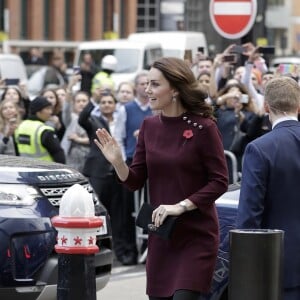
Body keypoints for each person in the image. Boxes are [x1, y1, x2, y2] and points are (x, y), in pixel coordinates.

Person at [94, 57, 228, 299]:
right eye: (146, 84)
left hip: (196, 237)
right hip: (162, 236)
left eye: (154, 85)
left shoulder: (203, 128)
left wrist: (181, 206)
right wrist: (117, 162)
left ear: (175, 89)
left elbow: (219, 181)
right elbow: (134, 180)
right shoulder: (149, 126)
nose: (147, 90)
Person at [236, 76, 300, 300]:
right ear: (298, 105)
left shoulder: (260, 149)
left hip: (281, 262)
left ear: (265, 106)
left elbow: (249, 216)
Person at [78, 90, 125, 263]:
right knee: (95, 211)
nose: (106, 104)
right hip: (98, 172)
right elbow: (82, 118)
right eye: (103, 102)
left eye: (109, 102)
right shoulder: (94, 121)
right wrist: (93, 100)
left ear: (115, 105)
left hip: (116, 173)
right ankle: (93, 248)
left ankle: (116, 251)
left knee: (117, 214)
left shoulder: (120, 120)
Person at [114, 71, 152, 265]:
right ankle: (129, 248)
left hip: (152, 161)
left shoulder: (156, 107)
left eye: (149, 83)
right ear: (136, 86)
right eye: (142, 83)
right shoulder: (126, 109)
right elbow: (119, 137)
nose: (145, 87)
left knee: (150, 204)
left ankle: (148, 247)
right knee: (129, 208)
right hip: (131, 161)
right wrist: (120, 161)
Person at [15, 96, 65, 163]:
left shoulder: (20, 126)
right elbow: (58, 154)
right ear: (38, 111)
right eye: (47, 109)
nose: (50, 112)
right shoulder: (44, 130)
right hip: (45, 170)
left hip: (25, 169)